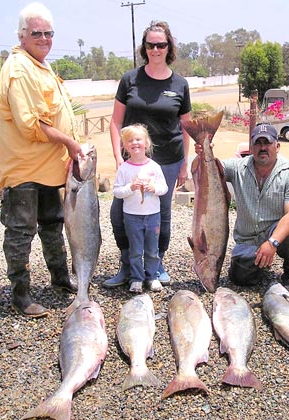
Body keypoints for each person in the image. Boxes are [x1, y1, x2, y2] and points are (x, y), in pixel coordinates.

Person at [0, 2, 84, 318]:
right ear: (21, 35)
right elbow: (31, 124)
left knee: (52, 225)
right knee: (20, 232)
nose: (44, 38)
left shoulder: (38, 64)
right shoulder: (19, 69)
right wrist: (71, 142)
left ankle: (60, 279)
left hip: (48, 168)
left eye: (48, 33)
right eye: (37, 33)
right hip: (24, 169)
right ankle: (20, 294)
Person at [103, 20, 192, 289]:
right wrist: (120, 158)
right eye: (150, 44)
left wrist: (185, 164)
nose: (155, 49)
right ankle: (128, 265)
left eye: (160, 44)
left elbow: (186, 126)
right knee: (120, 214)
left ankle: (156, 265)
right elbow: (115, 122)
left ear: (169, 47)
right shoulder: (130, 80)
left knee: (160, 215)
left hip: (167, 159)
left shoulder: (180, 84)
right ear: (144, 47)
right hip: (132, 159)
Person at [196, 123, 289, 295]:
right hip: (249, 239)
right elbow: (204, 170)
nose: (262, 147)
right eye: (258, 143)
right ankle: (259, 265)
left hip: (276, 233)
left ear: (277, 146)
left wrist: (272, 243)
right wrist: (203, 153)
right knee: (240, 279)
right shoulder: (238, 167)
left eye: (267, 142)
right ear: (251, 147)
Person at [113, 124, 168, 293]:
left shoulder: (154, 167)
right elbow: (117, 191)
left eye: (138, 139)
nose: (135, 143)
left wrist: (154, 189)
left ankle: (152, 276)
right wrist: (130, 187)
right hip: (132, 216)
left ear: (146, 143)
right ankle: (136, 278)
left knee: (152, 250)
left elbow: (164, 188)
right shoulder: (124, 168)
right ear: (124, 145)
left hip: (152, 215)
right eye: (130, 141)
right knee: (135, 250)